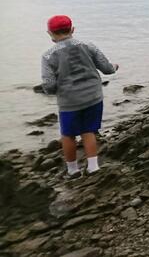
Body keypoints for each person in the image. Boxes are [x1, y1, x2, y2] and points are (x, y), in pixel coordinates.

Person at [40, 15, 118, 178]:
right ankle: (93, 167)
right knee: (88, 130)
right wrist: (114, 67)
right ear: (72, 29)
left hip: (69, 101)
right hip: (93, 97)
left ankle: (73, 170)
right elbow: (106, 68)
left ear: (50, 33)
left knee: (68, 135)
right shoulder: (88, 46)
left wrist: (54, 92)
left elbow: (48, 84)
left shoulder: (48, 56)